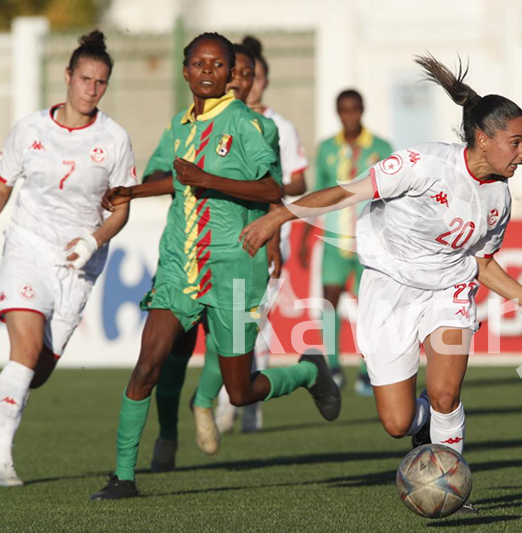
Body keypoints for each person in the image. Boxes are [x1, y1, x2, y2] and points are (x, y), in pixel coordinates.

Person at [240, 54, 522, 513]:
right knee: (397, 422)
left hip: (450, 292)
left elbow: (482, 264)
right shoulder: (422, 163)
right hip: (389, 288)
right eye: (516, 143)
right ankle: (424, 430)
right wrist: (279, 216)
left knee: (445, 393)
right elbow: (345, 191)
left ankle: (451, 481)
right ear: (483, 138)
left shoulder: (498, 196)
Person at [90, 32, 340, 500]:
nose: (207, 71)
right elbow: (169, 178)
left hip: (233, 270)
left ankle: (307, 372)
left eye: (217, 65)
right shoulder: (178, 126)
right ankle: (124, 476)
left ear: (230, 74)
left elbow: (271, 190)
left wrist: (207, 179)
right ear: (185, 71)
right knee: (148, 365)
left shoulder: (247, 124)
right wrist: (131, 192)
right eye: (198, 64)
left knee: (241, 391)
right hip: (180, 265)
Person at [0, 31, 136, 487]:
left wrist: (93, 241)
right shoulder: (30, 130)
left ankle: (6, 411)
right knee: (25, 350)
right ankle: (0, 460)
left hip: (79, 266)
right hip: (28, 247)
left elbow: (122, 209)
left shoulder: (114, 139)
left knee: (37, 371)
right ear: (68, 77)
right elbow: (1, 188)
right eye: (85, 79)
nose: (91, 90)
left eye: (101, 83)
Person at [143, 42, 285, 472]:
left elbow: (277, 190)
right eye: (234, 71)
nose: (237, 79)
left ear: (253, 80)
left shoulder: (264, 127)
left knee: (229, 359)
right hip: (188, 258)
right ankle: (168, 434)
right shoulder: (186, 125)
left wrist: (273, 240)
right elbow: (160, 173)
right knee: (172, 357)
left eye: (245, 74)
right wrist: (151, 185)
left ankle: (205, 403)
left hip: (238, 259)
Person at [213, 35, 311, 434]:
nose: (248, 83)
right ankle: (225, 399)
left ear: (262, 80)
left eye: (255, 76)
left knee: (255, 322)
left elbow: (299, 180)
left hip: (267, 235)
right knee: (225, 321)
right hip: (219, 236)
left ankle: (243, 404)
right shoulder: (214, 120)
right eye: (240, 74)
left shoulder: (278, 127)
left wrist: (265, 192)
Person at [298, 89, 393, 396]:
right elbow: (319, 194)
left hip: (369, 239)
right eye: (343, 111)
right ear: (337, 112)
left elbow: (391, 195)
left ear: (362, 110)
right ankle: (334, 366)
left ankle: (368, 370)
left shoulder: (381, 147)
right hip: (335, 237)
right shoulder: (327, 148)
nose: (349, 116)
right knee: (329, 300)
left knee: (370, 306)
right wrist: (303, 237)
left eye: (354, 110)